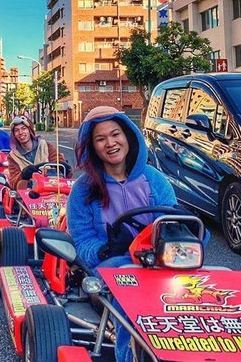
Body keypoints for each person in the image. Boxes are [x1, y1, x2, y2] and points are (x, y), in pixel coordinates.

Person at [66, 105, 178, 362]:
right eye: (101, 139)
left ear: (128, 136)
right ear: (92, 146)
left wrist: (181, 229)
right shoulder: (83, 190)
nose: (110, 143)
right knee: (132, 292)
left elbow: (174, 222)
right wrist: (106, 249)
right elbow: (81, 243)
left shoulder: (154, 179)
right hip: (114, 266)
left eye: (115, 134)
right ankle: (129, 356)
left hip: (160, 261)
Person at [6, 116, 67, 190]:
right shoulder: (12, 156)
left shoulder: (45, 146)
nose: (20, 133)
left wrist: (62, 166)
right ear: (14, 135)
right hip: (29, 193)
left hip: (51, 188)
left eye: (24, 128)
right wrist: (23, 175)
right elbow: (13, 182)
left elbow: (60, 165)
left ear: (30, 130)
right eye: (16, 130)